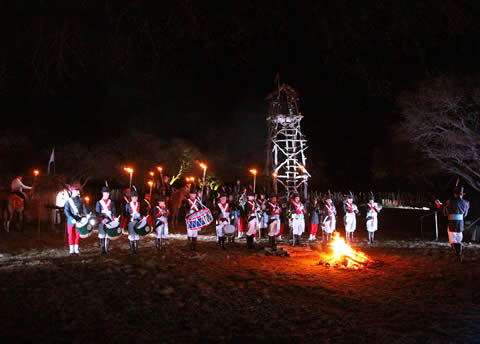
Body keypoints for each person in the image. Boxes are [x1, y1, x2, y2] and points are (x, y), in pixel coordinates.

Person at [442, 186, 469, 262]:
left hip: (452, 222)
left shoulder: (449, 201)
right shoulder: (466, 203)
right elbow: (465, 215)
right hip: (460, 223)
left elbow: (445, 213)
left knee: (453, 240)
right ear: (462, 195)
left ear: (455, 194)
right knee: (458, 239)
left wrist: (440, 206)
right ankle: (458, 254)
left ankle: (458, 255)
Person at [64, 186, 87, 255]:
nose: (78, 192)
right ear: (72, 192)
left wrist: (86, 215)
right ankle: (71, 250)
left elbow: (84, 208)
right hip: (71, 221)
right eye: (76, 191)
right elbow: (66, 211)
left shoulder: (81, 200)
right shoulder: (68, 201)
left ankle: (76, 250)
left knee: (77, 235)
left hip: (79, 220)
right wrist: (71, 218)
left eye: (78, 191)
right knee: (71, 235)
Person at [96, 184, 117, 254]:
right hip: (102, 220)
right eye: (106, 193)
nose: (107, 194)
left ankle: (106, 248)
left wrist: (114, 218)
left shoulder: (112, 202)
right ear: (103, 193)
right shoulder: (99, 202)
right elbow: (97, 212)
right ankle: (102, 249)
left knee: (108, 234)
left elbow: (113, 211)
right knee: (102, 234)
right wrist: (101, 219)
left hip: (109, 220)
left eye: (108, 193)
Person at [125, 189, 146, 254]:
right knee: (131, 235)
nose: (135, 198)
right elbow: (125, 213)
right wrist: (130, 217)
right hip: (131, 222)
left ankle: (136, 249)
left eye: (136, 197)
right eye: (133, 197)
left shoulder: (140, 204)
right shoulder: (128, 205)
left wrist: (143, 217)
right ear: (131, 198)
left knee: (137, 235)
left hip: (138, 221)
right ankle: (132, 249)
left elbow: (142, 212)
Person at [184, 186, 203, 251]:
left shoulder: (198, 201)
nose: (193, 195)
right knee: (190, 230)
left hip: (196, 217)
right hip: (190, 217)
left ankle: (194, 245)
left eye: (194, 194)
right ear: (189, 194)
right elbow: (186, 209)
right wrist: (189, 212)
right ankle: (190, 243)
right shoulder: (187, 201)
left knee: (195, 232)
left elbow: (200, 209)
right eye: (192, 194)